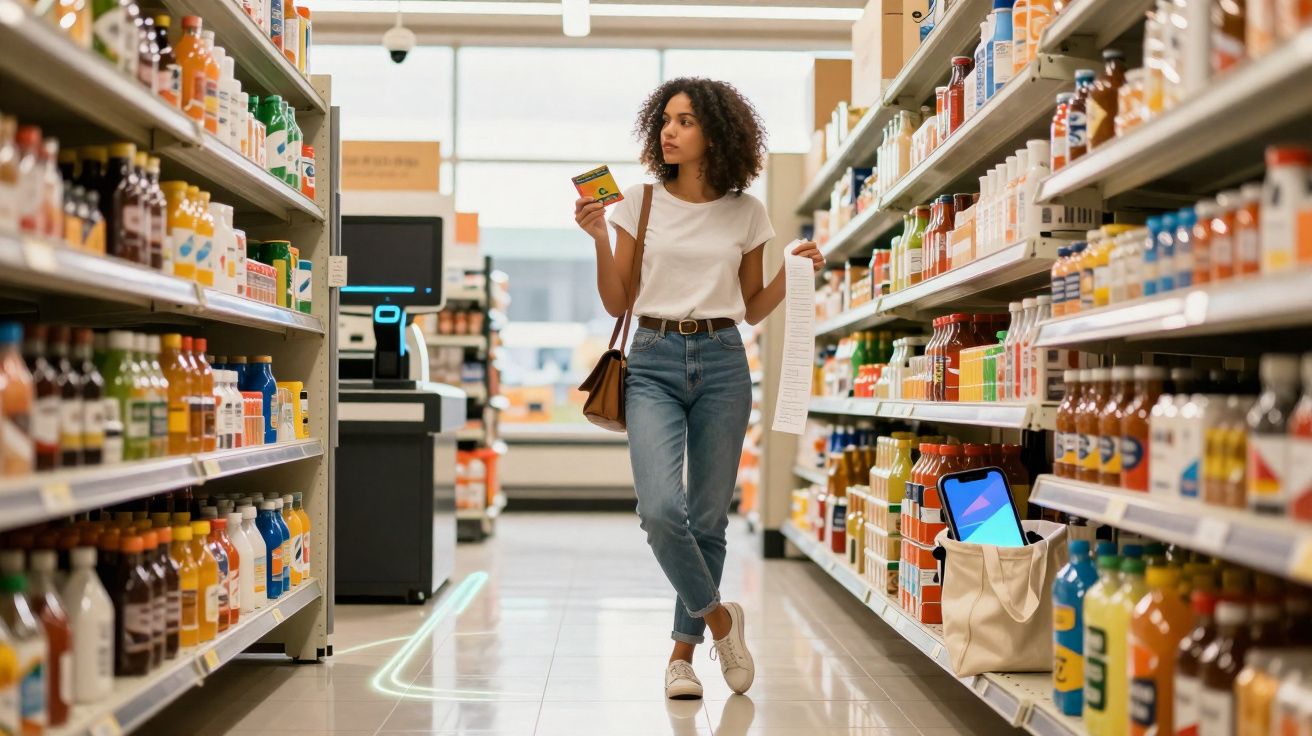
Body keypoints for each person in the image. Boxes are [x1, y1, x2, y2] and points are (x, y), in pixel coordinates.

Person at [573, 78, 824, 700]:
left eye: (685, 121)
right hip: (652, 358)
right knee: (661, 512)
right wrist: (599, 238)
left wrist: (794, 269)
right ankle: (720, 622)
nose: (669, 130)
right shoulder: (639, 202)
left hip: (723, 360)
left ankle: (681, 658)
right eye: (665, 120)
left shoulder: (748, 211)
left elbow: (753, 307)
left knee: (709, 520)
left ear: (717, 132)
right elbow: (618, 301)